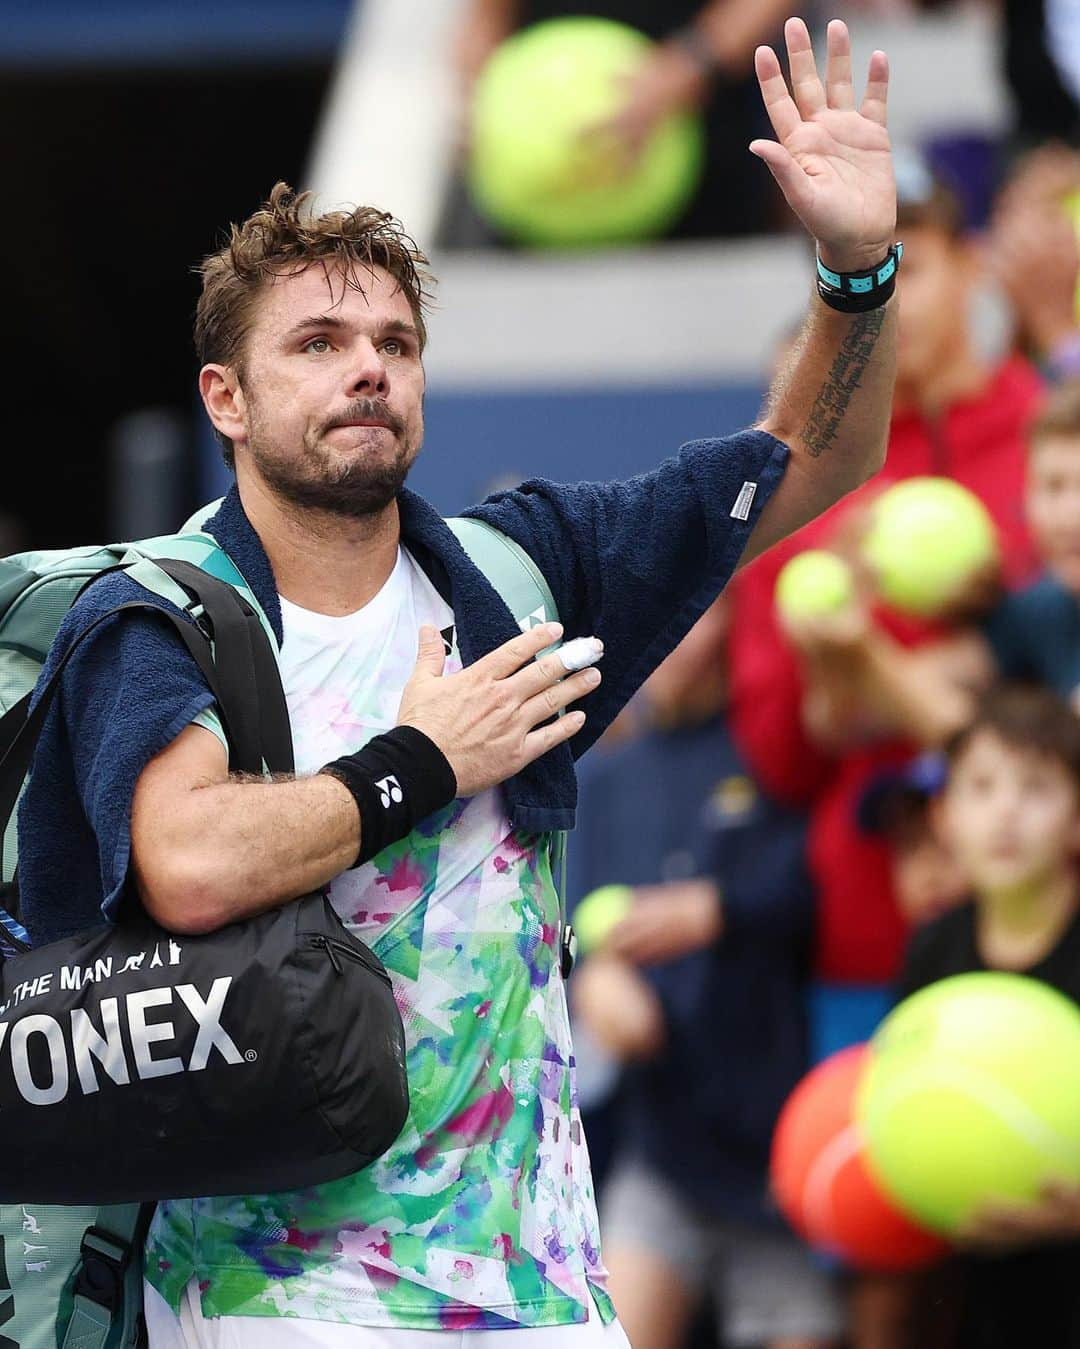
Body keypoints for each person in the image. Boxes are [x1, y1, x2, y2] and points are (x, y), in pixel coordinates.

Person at [19, 19, 899, 1346]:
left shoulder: (527, 570)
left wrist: (854, 269)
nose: (367, 363)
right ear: (227, 399)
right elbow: (190, 860)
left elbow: (814, 460)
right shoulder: (160, 617)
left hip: (535, 1292)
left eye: (393, 339)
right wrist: (420, 760)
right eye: (316, 341)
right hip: (273, 1299)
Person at [570, 596, 845, 1349]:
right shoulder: (609, 779)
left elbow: (830, 893)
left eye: (689, 611)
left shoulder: (778, 753)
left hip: (783, 1161)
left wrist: (719, 907)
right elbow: (573, 932)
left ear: (729, 624)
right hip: (662, 1154)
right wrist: (591, 976)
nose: (660, 638)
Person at [886, 685, 1080, 1348]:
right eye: (982, 787)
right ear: (944, 817)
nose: (1006, 814)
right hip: (971, 1293)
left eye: (1036, 788)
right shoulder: (933, 948)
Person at [450, 0, 799, 240]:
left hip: (706, 159)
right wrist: (481, 94)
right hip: (538, 197)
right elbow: (483, 23)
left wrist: (690, 66)